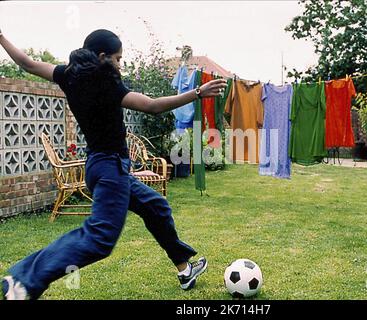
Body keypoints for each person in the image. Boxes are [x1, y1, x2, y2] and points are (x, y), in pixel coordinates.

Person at [0, 28, 227, 300]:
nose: (120, 64)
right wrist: (197, 93)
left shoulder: (67, 75)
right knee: (100, 238)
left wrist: (1, 37)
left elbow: (27, 63)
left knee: (156, 207)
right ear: (102, 56)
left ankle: (184, 268)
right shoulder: (106, 83)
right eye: (118, 59)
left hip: (100, 167)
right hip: (110, 169)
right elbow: (153, 106)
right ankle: (23, 280)